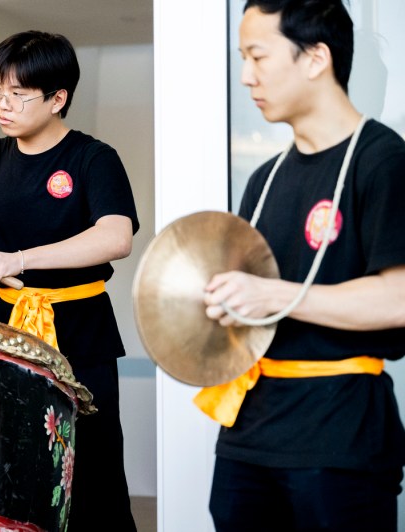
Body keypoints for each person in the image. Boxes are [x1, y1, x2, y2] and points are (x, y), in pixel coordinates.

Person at [0, 30, 139, 531]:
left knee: (92, 463)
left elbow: (115, 236)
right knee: (8, 458)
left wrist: (17, 260)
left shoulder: (91, 158)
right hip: (8, 327)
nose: (3, 103)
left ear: (58, 99)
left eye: (18, 93)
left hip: (79, 326)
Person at [200, 1, 405, 531]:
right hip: (249, 437)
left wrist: (275, 295)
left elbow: (397, 299)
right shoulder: (264, 179)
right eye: (242, 58)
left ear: (316, 58)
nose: (245, 77)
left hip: (340, 437)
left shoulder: (382, 160)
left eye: (258, 56)